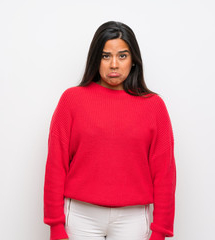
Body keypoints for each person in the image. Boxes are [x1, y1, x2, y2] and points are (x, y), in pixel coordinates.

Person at [43, 21, 176, 240]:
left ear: (133, 60)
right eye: (106, 56)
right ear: (95, 59)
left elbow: (165, 172)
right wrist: (55, 225)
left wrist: (160, 230)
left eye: (122, 56)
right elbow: (56, 164)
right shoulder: (72, 100)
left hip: (132, 218)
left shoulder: (154, 106)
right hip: (80, 216)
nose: (114, 64)